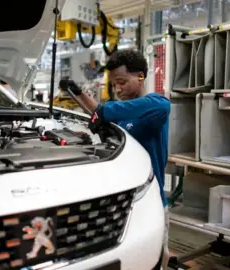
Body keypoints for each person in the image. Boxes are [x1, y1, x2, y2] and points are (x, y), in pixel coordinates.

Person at [60, 48, 170, 270]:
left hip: (149, 200)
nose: (118, 89)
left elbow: (160, 105)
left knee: (155, 259)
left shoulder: (155, 105)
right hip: (120, 200)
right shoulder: (121, 111)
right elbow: (101, 112)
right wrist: (78, 93)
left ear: (140, 76)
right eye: (114, 84)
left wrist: (105, 113)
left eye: (122, 82)